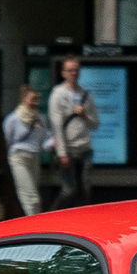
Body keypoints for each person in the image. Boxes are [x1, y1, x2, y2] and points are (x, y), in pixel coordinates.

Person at [47, 56, 99, 208]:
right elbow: (56, 126)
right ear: (63, 73)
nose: (74, 73)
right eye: (70, 70)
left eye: (76, 70)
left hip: (85, 148)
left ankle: (84, 221)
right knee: (69, 190)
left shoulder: (86, 95)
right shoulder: (58, 95)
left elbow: (94, 124)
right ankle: (51, 216)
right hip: (68, 149)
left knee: (85, 190)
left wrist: (84, 115)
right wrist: (62, 153)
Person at [3, 87, 53, 215]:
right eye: (32, 99)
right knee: (31, 198)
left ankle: (29, 223)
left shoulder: (40, 119)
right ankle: (32, 228)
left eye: (37, 99)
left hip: (34, 158)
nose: (35, 103)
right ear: (23, 99)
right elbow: (7, 141)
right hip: (18, 158)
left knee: (32, 194)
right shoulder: (13, 119)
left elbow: (44, 142)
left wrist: (54, 143)